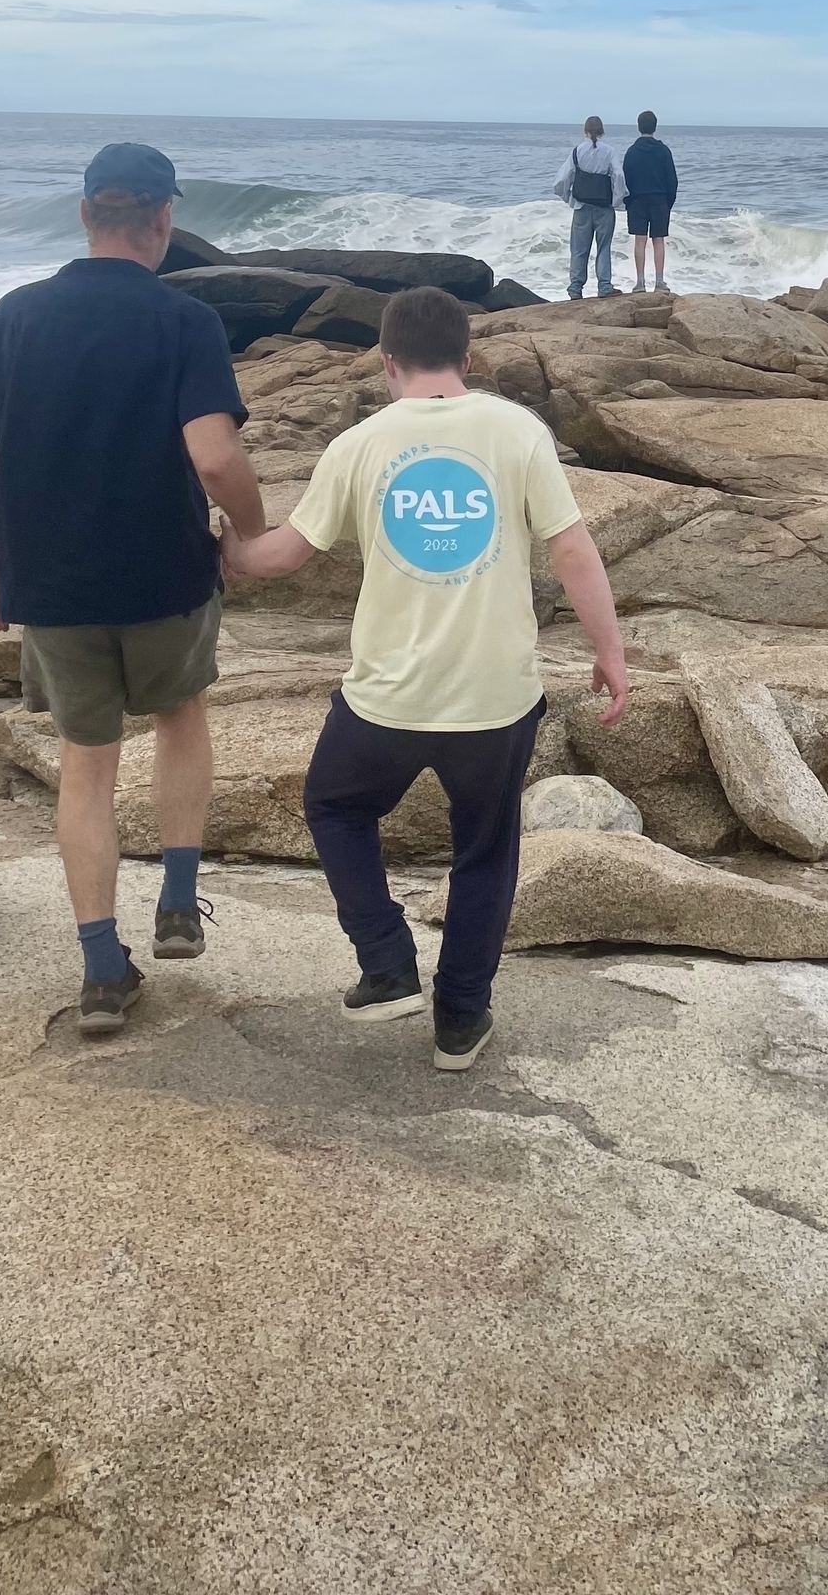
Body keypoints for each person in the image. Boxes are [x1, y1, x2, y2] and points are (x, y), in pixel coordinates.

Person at [222, 285, 629, 1072]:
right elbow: (572, 549)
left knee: (336, 808)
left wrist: (225, 555)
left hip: (388, 696)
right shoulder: (517, 432)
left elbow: (285, 554)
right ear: (469, 359)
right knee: (485, 851)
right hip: (497, 698)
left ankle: (385, 963)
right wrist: (608, 651)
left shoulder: (360, 444)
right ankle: (460, 1023)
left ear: (387, 364)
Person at [0, 142, 268, 1035]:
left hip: (50, 585)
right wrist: (249, 534)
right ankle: (177, 900)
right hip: (164, 575)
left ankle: (102, 971)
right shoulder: (183, 322)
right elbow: (215, 455)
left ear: (85, 214)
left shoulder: (15, 318)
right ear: (165, 219)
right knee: (181, 718)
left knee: (85, 770)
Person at [553, 115, 627, 300]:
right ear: (602, 131)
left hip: (581, 206)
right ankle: (604, 286)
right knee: (603, 247)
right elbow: (618, 176)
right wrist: (617, 200)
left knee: (579, 249)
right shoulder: (609, 151)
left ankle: (575, 288)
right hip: (604, 207)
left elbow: (562, 179)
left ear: (585, 131)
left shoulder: (577, 151)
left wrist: (568, 197)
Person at [622, 110, 679, 292]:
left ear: (639, 127)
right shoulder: (663, 151)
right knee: (658, 240)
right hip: (659, 199)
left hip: (637, 200)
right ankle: (660, 282)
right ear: (655, 127)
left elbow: (625, 179)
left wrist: (628, 201)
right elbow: (672, 181)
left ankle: (640, 282)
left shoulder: (631, 151)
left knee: (640, 240)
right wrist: (668, 202)